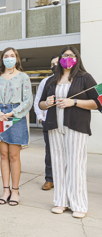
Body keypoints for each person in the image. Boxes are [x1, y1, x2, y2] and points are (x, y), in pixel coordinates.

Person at [39, 46, 102, 219]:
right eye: (64, 56)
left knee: (76, 166)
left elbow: (97, 102)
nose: (67, 58)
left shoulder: (84, 78)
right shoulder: (52, 80)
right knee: (58, 166)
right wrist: (48, 102)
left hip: (76, 126)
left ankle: (79, 204)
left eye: (70, 55)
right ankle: (61, 201)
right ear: (59, 59)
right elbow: (41, 104)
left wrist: (73, 102)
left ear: (76, 58)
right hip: (54, 127)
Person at [0, 47, 33, 206]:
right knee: (3, 155)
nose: (9, 58)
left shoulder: (23, 77)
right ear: (2, 59)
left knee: (14, 155)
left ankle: (15, 190)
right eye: (6, 56)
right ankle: (5, 189)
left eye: (12, 56)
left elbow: (28, 101)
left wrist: (12, 113)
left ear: (17, 58)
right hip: (0, 116)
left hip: (15, 117)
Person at [34, 56, 59, 191]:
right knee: (50, 151)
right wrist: (40, 117)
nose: (54, 65)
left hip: (65, 121)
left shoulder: (71, 81)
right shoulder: (46, 81)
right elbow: (38, 100)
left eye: (57, 63)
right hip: (48, 121)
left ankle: (63, 179)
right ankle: (49, 179)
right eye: (52, 64)